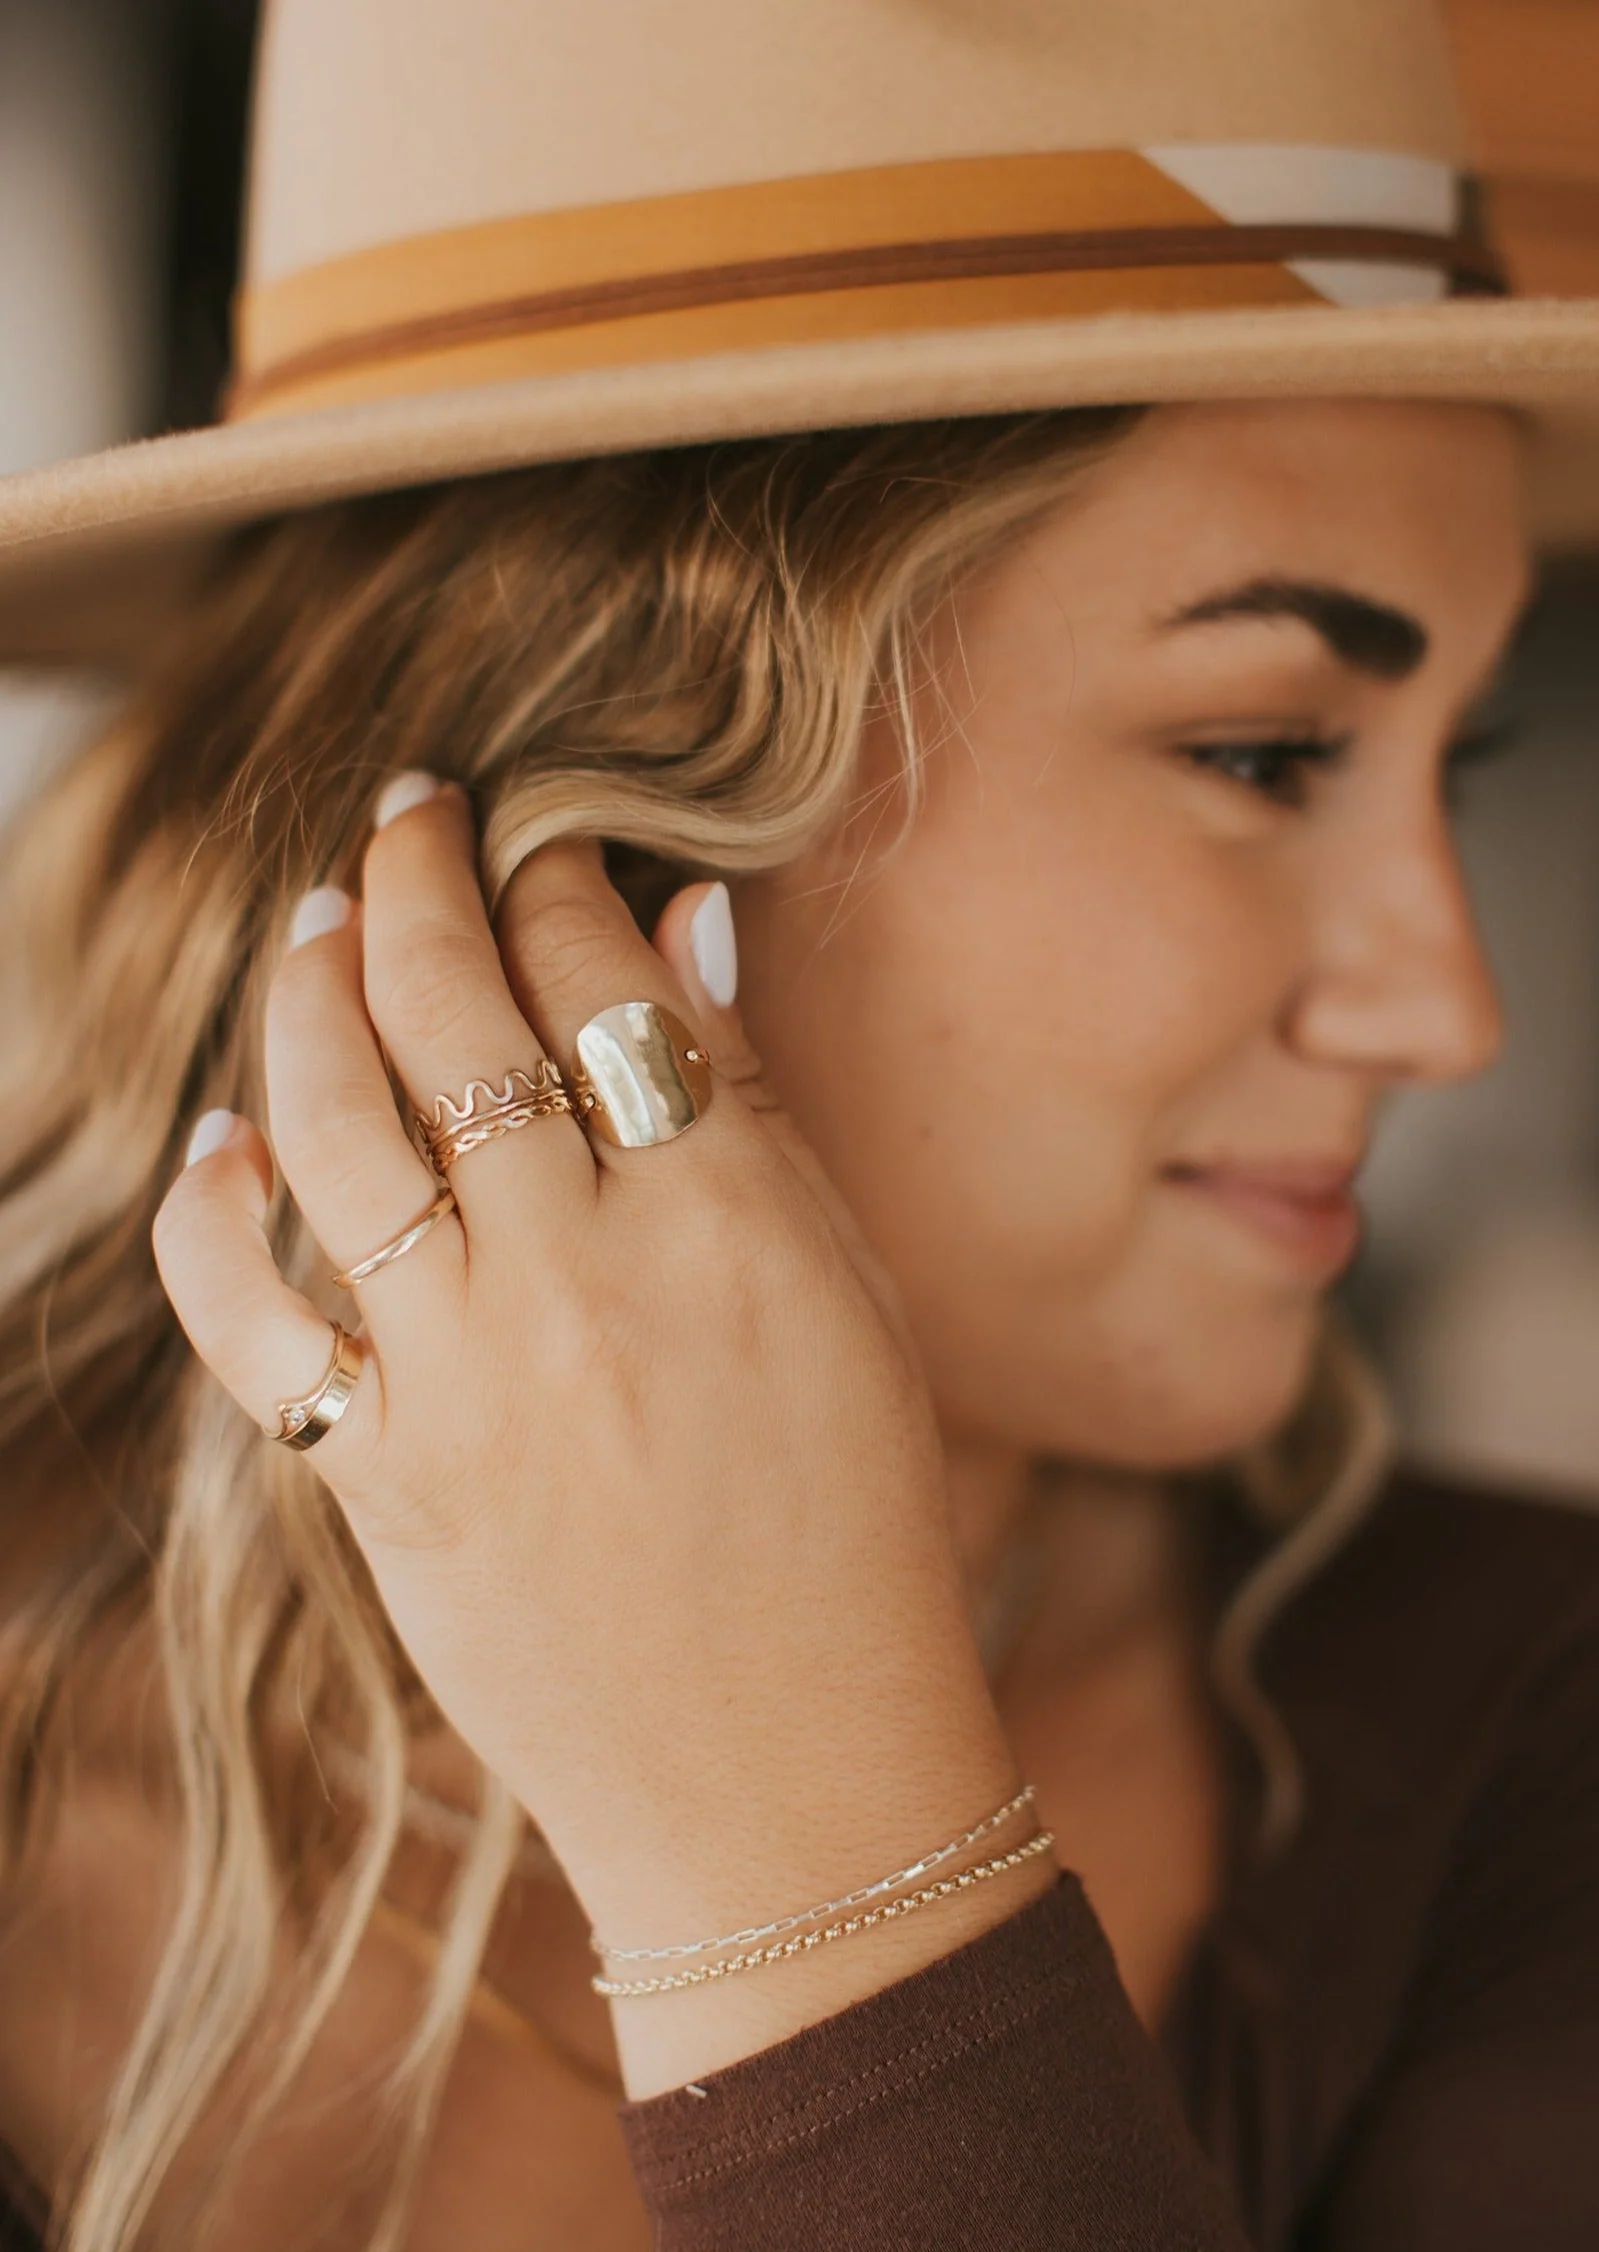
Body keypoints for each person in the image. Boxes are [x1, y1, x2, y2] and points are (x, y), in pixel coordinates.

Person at [0, 1, 1597, 2247]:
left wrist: (817, 1881)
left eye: (1461, 759)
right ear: (607, 820)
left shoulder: (1532, 1740)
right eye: (1264, 751)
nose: (1448, 1005)